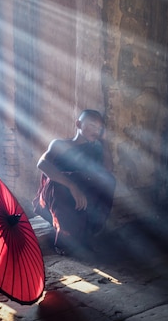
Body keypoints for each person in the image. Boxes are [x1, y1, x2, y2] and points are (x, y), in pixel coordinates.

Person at [33, 109, 116, 256]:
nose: (96, 131)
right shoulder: (60, 144)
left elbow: (108, 170)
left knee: (108, 181)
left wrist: (104, 142)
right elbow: (42, 164)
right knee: (61, 184)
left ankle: (88, 233)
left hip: (81, 192)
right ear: (78, 124)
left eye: (99, 128)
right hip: (57, 193)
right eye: (91, 125)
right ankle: (64, 241)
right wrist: (72, 186)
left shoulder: (96, 149)